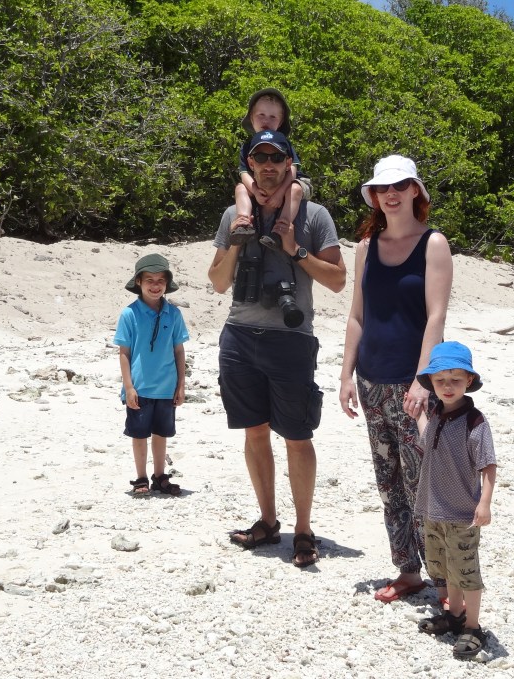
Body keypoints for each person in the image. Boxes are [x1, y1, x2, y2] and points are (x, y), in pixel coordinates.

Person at [208, 128, 346, 567]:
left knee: (298, 437)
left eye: (276, 157)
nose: (268, 165)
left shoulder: (315, 215)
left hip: (292, 338)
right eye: (260, 157)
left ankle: (303, 530)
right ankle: (268, 521)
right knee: (254, 431)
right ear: (250, 163)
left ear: (289, 163)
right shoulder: (234, 214)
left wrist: (295, 249)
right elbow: (217, 282)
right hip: (239, 335)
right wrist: (237, 241)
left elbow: (338, 280)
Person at [338, 155, 453, 603]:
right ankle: (407, 571)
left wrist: (423, 381)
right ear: (373, 195)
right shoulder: (366, 247)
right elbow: (357, 315)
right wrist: (346, 375)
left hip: (414, 383)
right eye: (383, 188)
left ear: (415, 191)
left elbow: (436, 317)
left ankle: (445, 580)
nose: (391, 194)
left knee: (422, 484)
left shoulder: (433, 244)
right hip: (370, 380)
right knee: (388, 483)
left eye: (400, 186)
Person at [413, 341, 496, 659]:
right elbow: (426, 439)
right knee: (444, 566)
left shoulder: (475, 421)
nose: (448, 387)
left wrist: (484, 503)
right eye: (441, 381)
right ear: (432, 383)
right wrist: (419, 415)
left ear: (469, 381)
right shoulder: (436, 413)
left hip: (462, 513)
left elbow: (488, 465)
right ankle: (454, 614)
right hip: (432, 507)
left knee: (466, 570)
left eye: (455, 380)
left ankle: (473, 626)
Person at [114, 254, 190, 496]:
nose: (155, 285)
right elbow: (124, 353)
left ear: (167, 283)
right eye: (149, 280)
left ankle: (159, 476)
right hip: (139, 387)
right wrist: (128, 387)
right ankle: (141, 478)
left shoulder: (173, 314)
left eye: (160, 280)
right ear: (139, 282)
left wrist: (181, 385)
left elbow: (179, 350)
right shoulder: (129, 314)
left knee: (161, 433)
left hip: (167, 387)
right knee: (138, 434)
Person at [232, 88, 312, 246]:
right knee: (240, 188)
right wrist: (255, 190)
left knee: (295, 189)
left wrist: (280, 192)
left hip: (292, 182)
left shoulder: (285, 143)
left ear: (280, 122)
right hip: (260, 184)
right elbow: (244, 173)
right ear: (251, 118)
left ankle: (281, 229)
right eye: (261, 115)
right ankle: (243, 223)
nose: (266, 121)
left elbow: (293, 170)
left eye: (272, 117)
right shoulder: (247, 146)